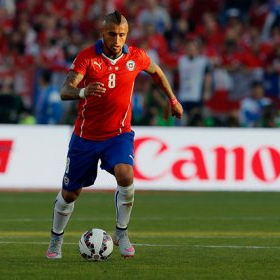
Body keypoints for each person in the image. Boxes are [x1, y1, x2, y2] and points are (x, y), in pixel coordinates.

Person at [46, 10, 183, 260]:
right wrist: (84, 92)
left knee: (126, 174)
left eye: (121, 34)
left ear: (126, 34)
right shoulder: (88, 57)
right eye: (112, 34)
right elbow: (65, 90)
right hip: (86, 137)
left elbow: (157, 72)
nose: (117, 39)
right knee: (70, 194)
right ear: (103, 33)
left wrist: (172, 100)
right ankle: (56, 239)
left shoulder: (136, 56)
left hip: (118, 134)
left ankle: (122, 233)